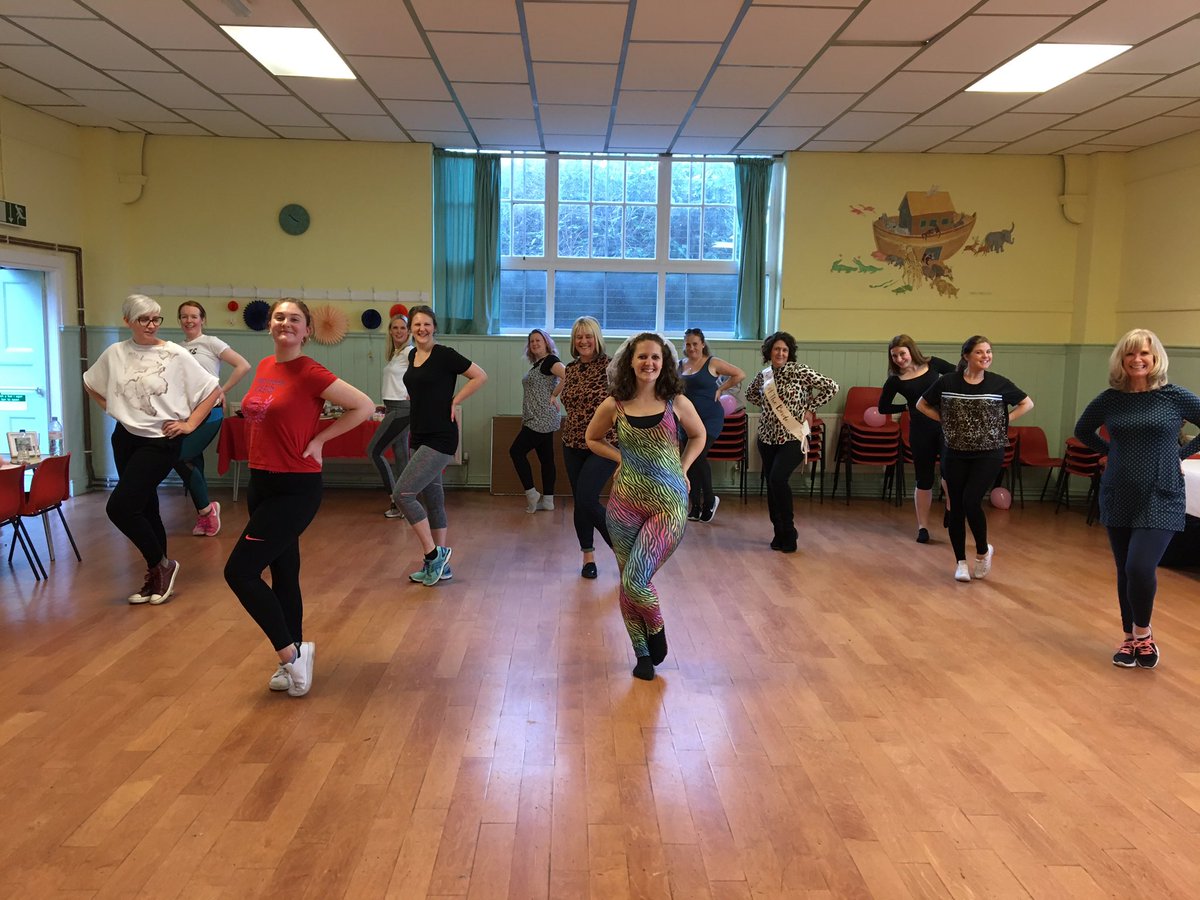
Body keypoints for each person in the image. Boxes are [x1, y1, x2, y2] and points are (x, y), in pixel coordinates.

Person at [223, 299, 373, 697]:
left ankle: (290, 654)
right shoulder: (266, 367)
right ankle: (293, 657)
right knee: (283, 573)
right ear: (270, 326)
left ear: (307, 330)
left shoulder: (310, 371)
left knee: (239, 572)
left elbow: (363, 406)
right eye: (279, 317)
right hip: (262, 482)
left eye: (294, 319)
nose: (285, 323)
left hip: (295, 487)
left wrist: (321, 439)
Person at [83, 294, 221, 605]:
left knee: (119, 507)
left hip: (161, 441)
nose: (151, 325)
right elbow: (91, 382)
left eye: (156, 318)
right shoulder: (115, 353)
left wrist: (189, 425)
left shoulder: (174, 354)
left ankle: (164, 565)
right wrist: (114, 409)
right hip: (125, 437)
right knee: (145, 506)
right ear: (127, 321)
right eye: (144, 319)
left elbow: (212, 390)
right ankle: (157, 573)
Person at [1074, 329, 1200, 669]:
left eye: (1144, 353)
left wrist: (1180, 454)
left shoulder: (1173, 396)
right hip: (1119, 491)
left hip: (1162, 492)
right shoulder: (1110, 399)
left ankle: (1143, 634)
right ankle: (1129, 639)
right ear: (1122, 360)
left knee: (1139, 566)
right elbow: (1082, 430)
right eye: (1130, 354)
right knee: (1124, 570)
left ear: (1155, 357)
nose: (1137, 359)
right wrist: (1111, 451)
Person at [586, 333, 705, 681]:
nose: (649, 363)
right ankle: (641, 655)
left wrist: (683, 468)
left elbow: (698, 436)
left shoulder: (676, 402)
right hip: (624, 504)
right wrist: (619, 456)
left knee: (637, 580)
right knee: (628, 581)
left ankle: (657, 630)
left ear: (664, 362)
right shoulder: (615, 404)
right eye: (642, 357)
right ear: (631, 362)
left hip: (668, 504)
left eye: (655, 357)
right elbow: (592, 439)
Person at [917, 335, 1033, 583]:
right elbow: (921, 404)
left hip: (989, 452)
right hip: (955, 452)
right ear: (966, 356)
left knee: (971, 501)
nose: (986, 356)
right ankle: (960, 562)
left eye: (989, 352)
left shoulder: (998, 383)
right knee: (955, 506)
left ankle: (982, 552)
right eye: (980, 352)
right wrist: (944, 421)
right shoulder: (948, 382)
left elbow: (1027, 403)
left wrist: (1004, 422)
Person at [395, 305, 488, 586]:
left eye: (426, 324)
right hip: (420, 434)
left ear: (434, 327)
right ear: (411, 329)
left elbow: (480, 375)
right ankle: (439, 567)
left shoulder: (445, 355)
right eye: (416, 325)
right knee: (433, 500)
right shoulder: (412, 355)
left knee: (403, 493)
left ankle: (434, 554)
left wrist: (455, 401)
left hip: (441, 437)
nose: (421, 329)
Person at [745, 331, 839, 553]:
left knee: (778, 479)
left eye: (784, 350)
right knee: (771, 484)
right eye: (776, 349)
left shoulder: (799, 371)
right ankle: (778, 532)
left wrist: (810, 407)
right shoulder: (764, 375)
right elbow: (751, 395)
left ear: (790, 353)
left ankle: (789, 530)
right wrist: (767, 408)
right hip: (766, 438)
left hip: (792, 437)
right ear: (769, 352)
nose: (780, 353)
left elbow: (831, 387)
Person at [172, 301, 251, 537]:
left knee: (179, 456)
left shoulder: (211, 342)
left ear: (203, 320)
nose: (189, 320)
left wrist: (220, 390)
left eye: (194, 316)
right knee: (193, 462)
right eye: (184, 316)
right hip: (185, 414)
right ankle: (205, 514)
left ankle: (207, 510)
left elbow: (243, 365)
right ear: (179, 320)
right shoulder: (175, 349)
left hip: (210, 412)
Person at [554, 316, 617, 579]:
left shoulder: (612, 367)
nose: (583, 341)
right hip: (573, 443)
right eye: (579, 337)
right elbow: (564, 398)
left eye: (588, 336)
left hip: (604, 443)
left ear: (597, 338)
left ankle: (623, 549)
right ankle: (588, 557)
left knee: (587, 499)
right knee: (581, 502)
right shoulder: (570, 369)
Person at [878, 334, 954, 543]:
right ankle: (923, 527)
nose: (899, 359)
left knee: (949, 472)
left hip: (944, 427)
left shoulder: (934, 364)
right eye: (894, 356)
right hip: (920, 430)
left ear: (911, 351)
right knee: (924, 478)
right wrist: (908, 407)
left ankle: (950, 507)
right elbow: (882, 407)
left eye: (902, 354)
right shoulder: (895, 381)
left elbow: (959, 376)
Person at [679, 327, 745, 523]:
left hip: (710, 419)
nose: (692, 348)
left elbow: (739, 374)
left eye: (695, 344)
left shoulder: (712, 362)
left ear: (702, 344)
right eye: (688, 344)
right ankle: (695, 506)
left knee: (697, 456)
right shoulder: (679, 365)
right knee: (690, 461)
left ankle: (709, 500)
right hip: (688, 420)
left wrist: (722, 388)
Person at [509, 328, 565, 512]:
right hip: (537, 417)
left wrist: (554, 395)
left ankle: (531, 493)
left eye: (538, 340)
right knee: (546, 459)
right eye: (531, 341)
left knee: (516, 451)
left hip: (541, 417)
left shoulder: (550, 361)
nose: (534, 344)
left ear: (546, 343)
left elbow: (568, 375)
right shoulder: (538, 365)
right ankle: (548, 500)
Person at [368, 312, 413, 519]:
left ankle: (396, 499)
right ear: (390, 331)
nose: (398, 331)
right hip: (392, 408)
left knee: (374, 452)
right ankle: (405, 505)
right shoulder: (396, 353)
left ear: (409, 331)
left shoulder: (409, 352)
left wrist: (414, 393)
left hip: (402, 409)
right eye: (395, 328)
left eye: (402, 328)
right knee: (402, 457)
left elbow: (420, 374)